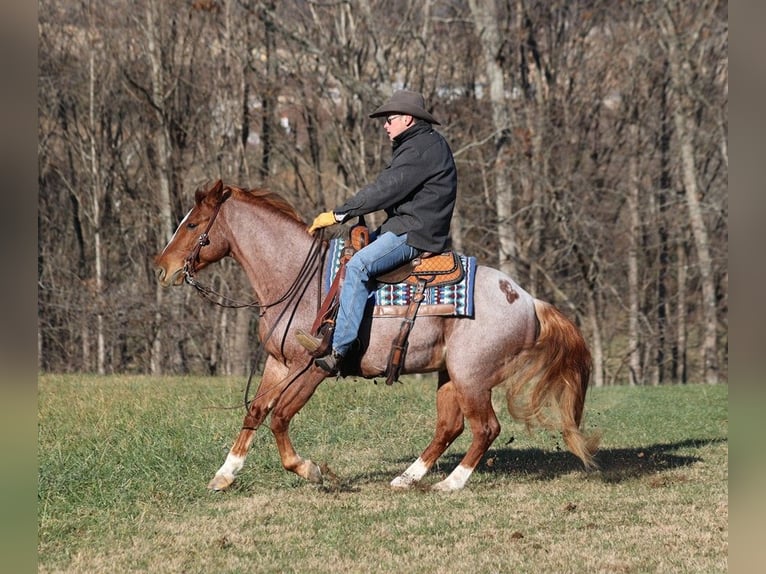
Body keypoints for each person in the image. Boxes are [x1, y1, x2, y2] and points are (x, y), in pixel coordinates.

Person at [297, 89, 458, 374]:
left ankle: (339, 350)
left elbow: (385, 189)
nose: (385, 124)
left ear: (407, 118)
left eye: (390, 119)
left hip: (415, 233)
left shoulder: (420, 149)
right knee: (350, 254)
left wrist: (339, 213)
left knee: (358, 266)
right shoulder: (421, 144)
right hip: (409, 226)